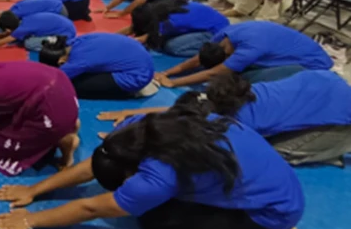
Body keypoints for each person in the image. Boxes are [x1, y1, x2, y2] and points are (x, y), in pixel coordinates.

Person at [0, 105, 305, 229]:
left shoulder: (159, 175)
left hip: (269, 212)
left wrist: (31, 220)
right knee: (147, 203)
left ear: (133, 173)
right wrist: (35, 189)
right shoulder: (141, 127)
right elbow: (93, 165)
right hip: (269, 182)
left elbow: (93, 207)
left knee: (156, 223)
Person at [101, 70, 351, 165]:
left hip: (340, 118)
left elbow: (187, 135)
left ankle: (331, 149)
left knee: (270, 154)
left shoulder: (240, 125)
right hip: (325, 84)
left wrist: (137, 144)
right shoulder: (229, 94)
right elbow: (183, 110)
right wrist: (132, 115)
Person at [155, 21, 332, 88]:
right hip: (284, 49)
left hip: (312, 66)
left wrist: (174, 83)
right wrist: (167, 73)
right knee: (231, 74)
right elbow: (197, 60)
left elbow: (213, 73)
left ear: (227, 58)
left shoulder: (249, 49)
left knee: (239, 81)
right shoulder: (222, 37)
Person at [40, 34, 158, 100]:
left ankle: (129, 92)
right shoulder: (78, 40)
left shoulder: (79, 60)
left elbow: (54, 81)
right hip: (140, 61)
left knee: (72, 86)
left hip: (137, 76)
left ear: (61, 61)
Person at [124, 0, 229, 57]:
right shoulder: (158, 10)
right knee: (160, 41)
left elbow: (143, 39)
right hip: (211, 23)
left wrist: (125, 43)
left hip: (216, 31)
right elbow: (132, 28)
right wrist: (115, 36)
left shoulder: (169, 22)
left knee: (171, 47)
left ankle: (215, 52)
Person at [0, 12, 77, 51]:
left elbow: (0, 42)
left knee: (29, 43)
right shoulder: (23, 20)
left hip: (66, 35)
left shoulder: (21, 30)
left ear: (8, 29)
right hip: (67, 25)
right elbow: (3, 35)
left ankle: (57, 45)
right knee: (22, 39)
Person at [0, 0, 68, 34]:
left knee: (29, 42)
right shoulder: (15, 11)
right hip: (56, 4)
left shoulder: (20, 16)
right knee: (0, 24)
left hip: (59, 12)